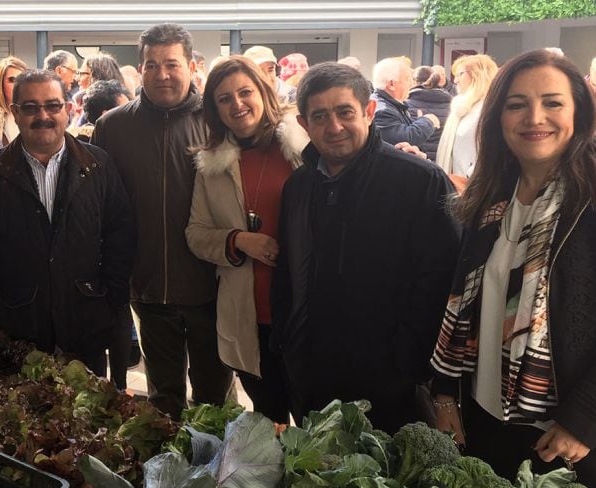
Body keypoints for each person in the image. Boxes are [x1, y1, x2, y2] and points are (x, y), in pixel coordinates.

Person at [430, 50, 596, 488]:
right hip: (488, 420)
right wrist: (445, 392)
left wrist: (587, 417)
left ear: (579, 109)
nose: (535, 117)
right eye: (517, 104)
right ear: (498, 116)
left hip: (570, 436)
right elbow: (461, 302)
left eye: (552, 102)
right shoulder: (491, 194)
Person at [271, 62, 460, 433]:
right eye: (320, 116)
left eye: (345, 112)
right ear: (304, 124)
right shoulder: (299, 186)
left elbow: (441, 284)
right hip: (312, 376)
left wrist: (407, 364)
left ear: (369, 112)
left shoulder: (420, 183)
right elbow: (289, 275)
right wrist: (288, 347)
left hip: (390, 387)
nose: (334, 127)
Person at [0, 69, 135, 376]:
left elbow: (121, 237)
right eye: (30, 107)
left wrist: (105, 301)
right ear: (15, 112)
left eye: (52, 105)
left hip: (85, 328)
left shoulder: (98, 165)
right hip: (15, 331)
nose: (43, 116)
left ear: (68, 109)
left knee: (89, 416)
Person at [93, 23, 234, 419]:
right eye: (151, 65)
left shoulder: (218, 121)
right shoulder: (113, 127)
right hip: (148, 287)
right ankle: (169, 471)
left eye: (171, 64)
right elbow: (100, 205)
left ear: (191, 66)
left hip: (212, 285)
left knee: (214, 398)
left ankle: (216, 473)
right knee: (163, 400)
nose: (162, 74)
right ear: (139, 69)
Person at [185, 56, 309, 424]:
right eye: (224, 99)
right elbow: (196, 233)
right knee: (269, 420)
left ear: (263, 92)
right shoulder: (211, 166)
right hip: (250, 316)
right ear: (215, 109)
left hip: (305, 312)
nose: (237, 104)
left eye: (244, 92)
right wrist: (239, 240)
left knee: (314, 422)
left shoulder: (303, 148)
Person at [436, 54, 498, 191]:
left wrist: (470, 178)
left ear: (478, 74)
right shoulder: (462, 108)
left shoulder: (490, 108)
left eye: (460, 74)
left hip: (475, 188)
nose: (455, 80)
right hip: (456, 186)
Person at [371, 57, 440, 147]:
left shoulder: (393, 104)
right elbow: (404, 139)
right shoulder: (382, 111)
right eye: (407, 79)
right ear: (391, 84)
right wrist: (428, 121)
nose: (412, 84)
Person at [405, 65, 452, 162]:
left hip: (416, 159)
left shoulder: (406, 105)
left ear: (414, 81)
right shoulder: (451, 104)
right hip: (443, 158)